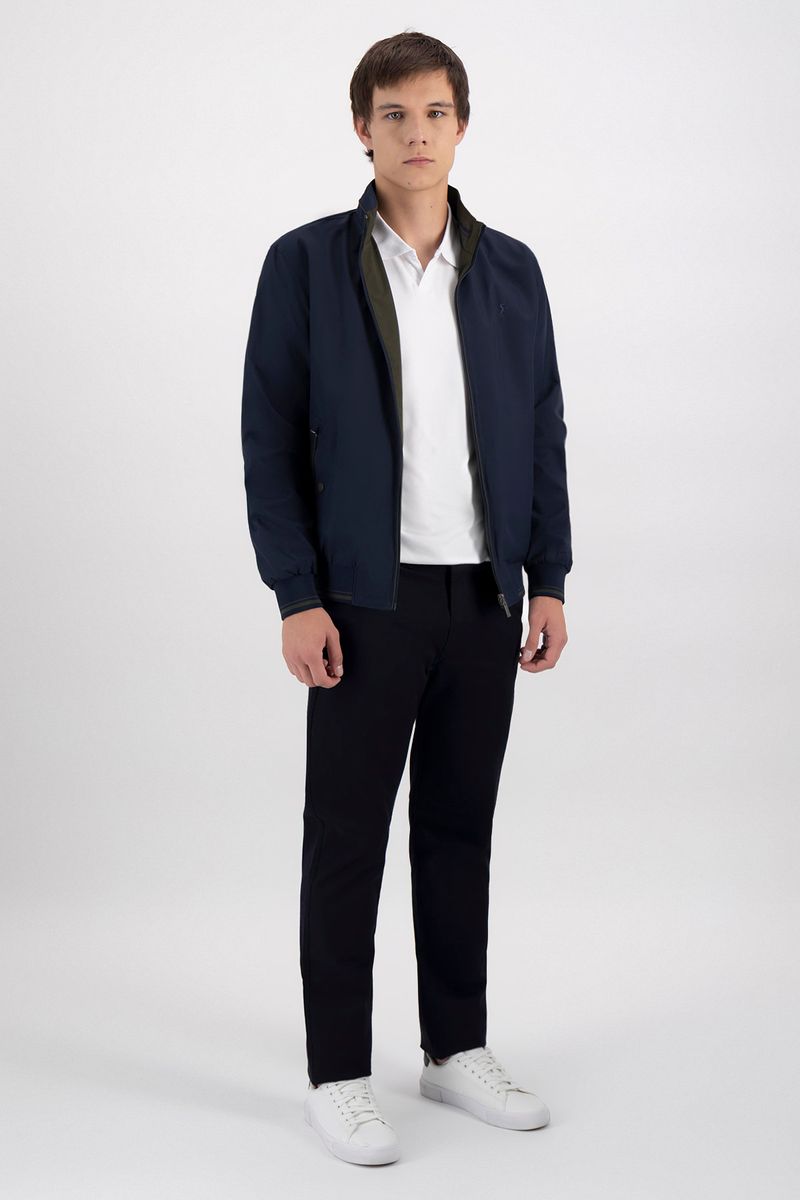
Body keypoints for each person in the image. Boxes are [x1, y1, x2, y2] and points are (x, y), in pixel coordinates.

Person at [241, 30, 572, 1166]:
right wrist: (296, 594)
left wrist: (548, 577)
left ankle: (452, 1047)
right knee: (346, 839)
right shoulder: (305, 264)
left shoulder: (511, 269)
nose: (415, 132)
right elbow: (268, 436)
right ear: (362, 128)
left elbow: (542, 428)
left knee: (458, 831)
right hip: (362, 604)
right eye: (394, 113)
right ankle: (337, 1073)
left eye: (434, 112)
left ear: (461, 125)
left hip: (482, 599)